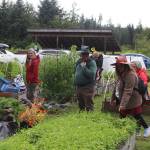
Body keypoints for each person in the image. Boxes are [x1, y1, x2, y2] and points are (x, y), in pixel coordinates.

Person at [111, 55, 150, 137]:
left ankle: (146, 128)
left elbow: (128, 91)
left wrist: (122, 105)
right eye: (117, 66)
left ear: (125, 65)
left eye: (120, 65)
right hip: (125, 99)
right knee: (122, 115)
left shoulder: (130, 74)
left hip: (133, 99)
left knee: (137, 115)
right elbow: (116, 86)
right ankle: (121, 132)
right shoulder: (121, 74)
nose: (118, 67)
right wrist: (113, 98)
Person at [75, 46, 97, 111]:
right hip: (79, 87)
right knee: (81, 105)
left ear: (87, 55)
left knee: (89, 105)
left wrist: (84, 67)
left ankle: (90, 118)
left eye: (85, 54)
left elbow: (92, 74)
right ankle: (81, 119)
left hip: (87, 87)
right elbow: (76, 71)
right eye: (82, 54)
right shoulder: (79, 61)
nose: (83, 56)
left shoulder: (91, 62)